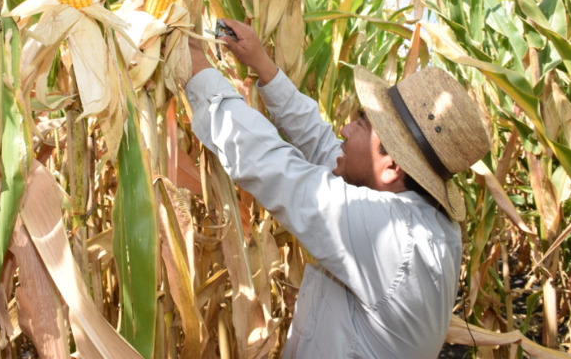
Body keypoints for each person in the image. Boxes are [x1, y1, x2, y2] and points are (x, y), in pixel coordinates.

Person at [185, 19, 490, 359]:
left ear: (391, 166)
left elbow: (275, 170)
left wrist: (194, 63)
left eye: (360, 123)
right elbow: (322, 144)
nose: (344, 129)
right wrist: (260, 63)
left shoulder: (393, 238)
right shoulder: (423, 215)